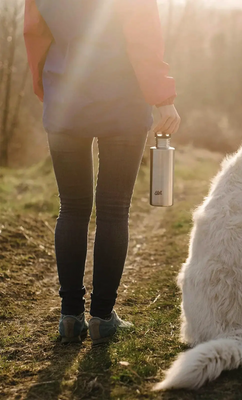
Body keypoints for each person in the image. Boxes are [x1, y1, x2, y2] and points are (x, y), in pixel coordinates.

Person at [24, 0, 181, 345]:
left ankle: (69, 316)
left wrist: (46, 87)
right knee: (113, 210)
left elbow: (33, 34)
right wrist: (162, 97)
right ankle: (101, 317)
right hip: (123, 105)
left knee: (72, 207)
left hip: (65, 100)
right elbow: (143, 38)